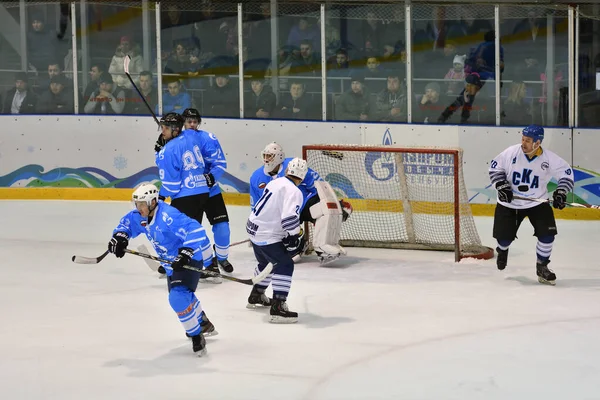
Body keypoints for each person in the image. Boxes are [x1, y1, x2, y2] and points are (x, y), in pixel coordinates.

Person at [107, 184, 217, 356]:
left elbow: (196, 229)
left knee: (177, 297)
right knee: (183, 295)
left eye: (142, 204)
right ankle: (202, 321)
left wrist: (186, 252)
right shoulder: (140, 214)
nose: (139, 208)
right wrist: (120, 237)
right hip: (170, 264)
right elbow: (126, 224)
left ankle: (197, 336)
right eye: (137, 204)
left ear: (152, 202)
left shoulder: (167, 215)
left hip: (189, 260)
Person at [489, 125, 574, 285]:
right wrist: (501, 185)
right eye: (522, 139)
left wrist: (561, 192)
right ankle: (503, 249)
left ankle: (542, 267)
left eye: (527, 140)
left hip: (537, 202)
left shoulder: (549, 159)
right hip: (509, 203)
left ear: (537, 142)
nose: (523, 143)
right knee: (504, 239)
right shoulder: (511, 152)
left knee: (548, 235)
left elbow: (566, 174)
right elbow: (495, 168)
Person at [249, 143, 353, 265]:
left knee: (329, 209)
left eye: (270, 156)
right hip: (280, 215)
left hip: (304, 205)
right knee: (289, 257)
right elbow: (256, 207)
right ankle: (298, 241)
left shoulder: (294, 165)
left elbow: (318, 185)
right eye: (265, 155)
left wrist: (331, 205)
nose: (267, 159)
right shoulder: (256, 177)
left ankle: (323, 247)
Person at [154, 112, 222, 283]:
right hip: (202, 192)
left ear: (175, 129)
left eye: (164, 128)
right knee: (194, 229)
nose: (162, 131)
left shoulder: (167, 151)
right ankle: (210, 263)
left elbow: (172, 185)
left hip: (185, 196)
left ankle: (182, 260)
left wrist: (160, 197)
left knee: (175, 230)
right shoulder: (191, 138)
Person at [245, 158, 307, 323]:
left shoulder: (275, 181)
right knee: (285, 264)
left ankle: (256, 295)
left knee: (267, 263)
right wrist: (293, 236)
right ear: (302, 177)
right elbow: (289, 218)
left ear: (287, 171)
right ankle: (278, 307)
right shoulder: (294, 192)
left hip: (253, 228)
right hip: (266, 234)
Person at [181, 108, 233, 273]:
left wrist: (212, 176)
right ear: (183, 122)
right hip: (189, 194)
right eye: (189, 121)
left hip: (211, 192)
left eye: (195, 121)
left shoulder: (208, 138)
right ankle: (177, 257)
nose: (192, 124)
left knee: (222, 227)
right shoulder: (176, 141)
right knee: (186, 229)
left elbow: (219, 163)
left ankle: (222, 258)